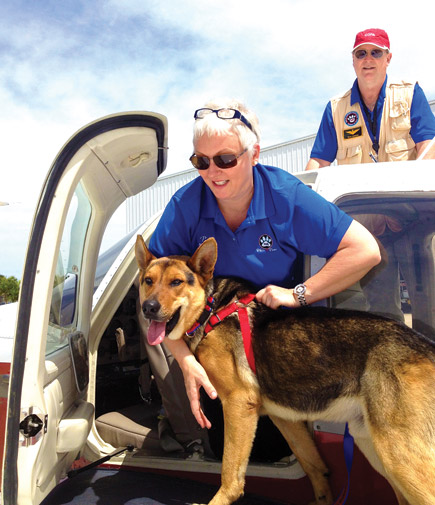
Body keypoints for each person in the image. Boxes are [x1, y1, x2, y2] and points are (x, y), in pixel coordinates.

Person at [143, 99, 381, 457]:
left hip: (277, 341)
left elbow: (365, 250)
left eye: (225, 159)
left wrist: (299, 293)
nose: (213, 172)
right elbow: (152, 284)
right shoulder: (186, 205)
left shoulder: (286, 197)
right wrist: (185, 360)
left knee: (271, 449)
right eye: (201, 161)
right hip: (217, 341)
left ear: (253, 154)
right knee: (227, 440)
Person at [305, 28, 435, 170]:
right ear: (353, 60)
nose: (368, 59)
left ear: (388, 58)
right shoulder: (335, 109)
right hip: (356, 192)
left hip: (404, 190)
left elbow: (428, 146)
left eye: (376, 52)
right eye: (361, 54)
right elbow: (319, 161)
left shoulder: (410, 94)